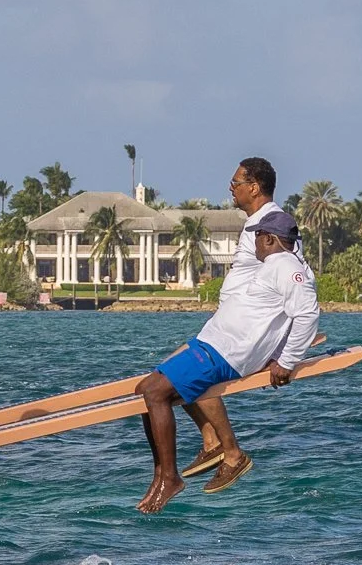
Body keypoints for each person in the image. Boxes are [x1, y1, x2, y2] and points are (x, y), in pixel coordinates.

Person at [134, 211, 318, 513]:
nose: (254, 242)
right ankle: (161, 475)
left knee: (154, 392)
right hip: (213, 345)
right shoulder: (272, 266)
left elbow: (307, 314)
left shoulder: (287, 267)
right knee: (146, 389)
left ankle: (170, 477)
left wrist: (287, 360)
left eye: (257, 236)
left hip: (225, 353)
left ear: (269, 238)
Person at [176, 156, 292, 483]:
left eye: (236, 182)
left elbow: (296, 281)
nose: (231, 187)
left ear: (253, 187)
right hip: (228, 325)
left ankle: (232, 452)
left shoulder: (274, 224)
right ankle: (211, 441)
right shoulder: (256, 221)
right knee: (171, 369)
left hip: (244, 333)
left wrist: (284, 352)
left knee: (187, 375)